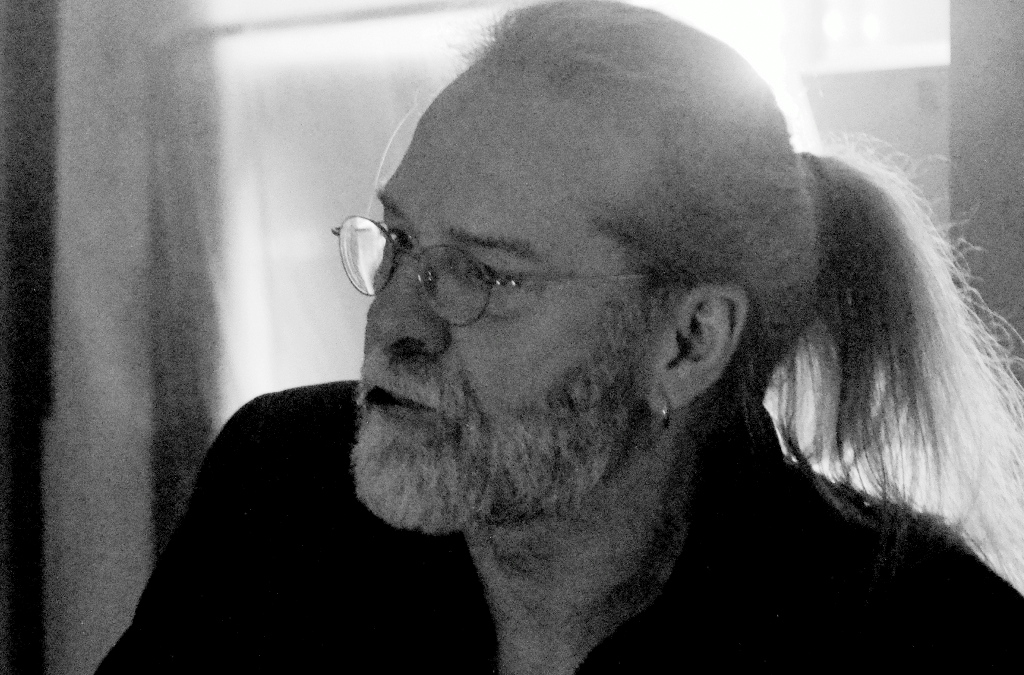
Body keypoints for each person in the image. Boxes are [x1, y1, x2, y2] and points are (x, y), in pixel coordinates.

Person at [97, 1, 1024, 672]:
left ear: (688, 342)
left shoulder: (921, 638)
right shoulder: (282, 490)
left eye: (487, 274)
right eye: (402, 243)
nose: (394, 323)